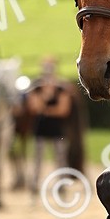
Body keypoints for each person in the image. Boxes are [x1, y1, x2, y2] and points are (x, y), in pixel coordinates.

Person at [26, 57, 73, 192]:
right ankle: (34, 186)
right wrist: (50, 107)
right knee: (37, 160)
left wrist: (45, 109)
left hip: (57, 130)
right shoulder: (37, 88)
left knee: (60, 159)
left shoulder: (61, 88)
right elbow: (33, 108)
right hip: (40, 130)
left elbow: (64, 110)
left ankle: (62, 185)